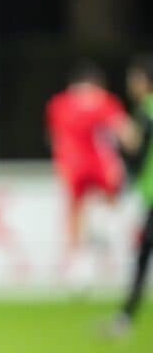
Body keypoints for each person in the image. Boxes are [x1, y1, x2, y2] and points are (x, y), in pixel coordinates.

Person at [45, 62, 137, 284]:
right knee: (112, 205)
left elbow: (54, 137)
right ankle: (106, 243)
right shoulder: (104, 100)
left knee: (75, 211)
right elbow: (126, 133)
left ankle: (77, 263)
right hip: (101, 164)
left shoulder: (59, 103)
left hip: (71, 166)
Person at [105, 55, 153, 335]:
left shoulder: (147, 111)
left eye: (134, 78)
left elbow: (138, 154)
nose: (130, 84)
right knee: (143, 252)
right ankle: (125, 317)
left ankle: (124, 319)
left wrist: (120, 149)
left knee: (143, 254)